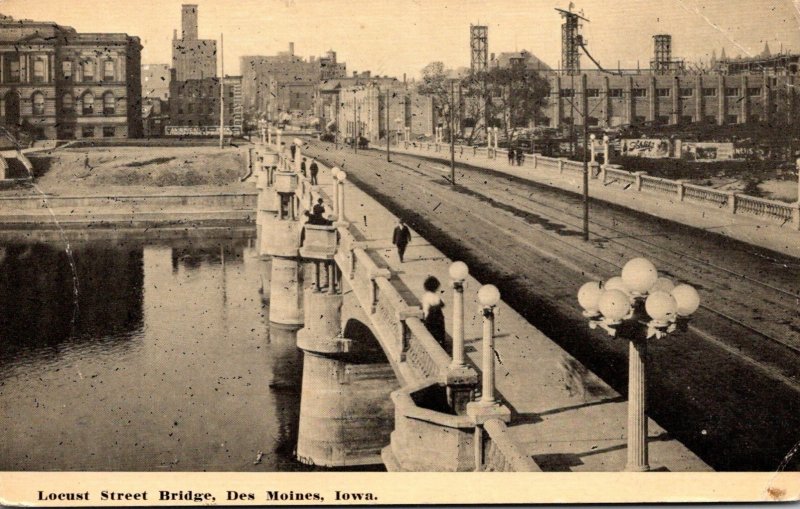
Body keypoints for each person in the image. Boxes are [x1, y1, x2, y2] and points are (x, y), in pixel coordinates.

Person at [422, 276, 446, 349]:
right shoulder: (435, 296)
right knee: (439, 332)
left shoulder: (425, 296)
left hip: (428, 318)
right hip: (436, 318)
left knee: (431, 333)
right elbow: (442, 304)